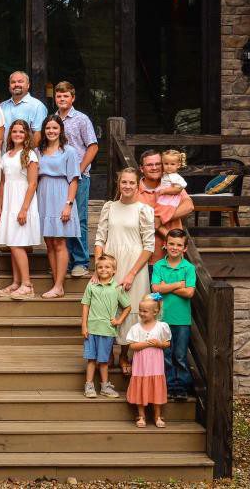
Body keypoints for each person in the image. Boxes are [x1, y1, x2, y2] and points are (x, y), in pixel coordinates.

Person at [94, 167, 155, 377]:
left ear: (138, 185)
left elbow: (149, 246)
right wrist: (98, 267)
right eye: (123, 182)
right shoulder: (109, 207)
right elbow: (100, 239)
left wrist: (131, 274)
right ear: (118, 184)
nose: (127, 186)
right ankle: (108, 350)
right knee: (108, 308)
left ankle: (124, 354)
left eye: (131, 183)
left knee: (130, 307)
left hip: (134, 266)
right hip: (110, 265)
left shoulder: (143, 210)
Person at [54, 81, 98, 277]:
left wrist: (78, 170)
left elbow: (93, 146)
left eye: (66, 96)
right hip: (58, 178)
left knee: (78, 218)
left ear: (73, 98)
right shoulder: (52, 119)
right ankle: (66, 260)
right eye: (59, 96)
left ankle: (81, 261)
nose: (62, 99)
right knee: (63, 218)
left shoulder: (81, 119)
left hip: (78, 177)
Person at [0, 120, 41, 299]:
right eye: (14, 131)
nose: (18, 134)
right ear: (10, 134)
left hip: (22, 202)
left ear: (27, 134)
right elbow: (3, 183)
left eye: (21, 132)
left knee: (17, 244)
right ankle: (16, 282)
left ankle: (27, 284)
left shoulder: (30, 154)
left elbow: (32, 183)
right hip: (9, 202)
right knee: (12, 243)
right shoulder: (6, 156)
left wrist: (24, 209)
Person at [37, 115, 80, 299]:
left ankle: (59, 285)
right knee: (49, 242)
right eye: (48, 128)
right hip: (43, 194)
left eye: (55, 128)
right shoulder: (39, 151)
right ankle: (56, 283)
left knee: (60, 242)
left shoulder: (69, 151)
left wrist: (68, 204)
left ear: (60, 130)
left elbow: (74, 179)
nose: (51, 131)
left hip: (62, 194)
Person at [150, 229, 195, 401]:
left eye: (179, 245)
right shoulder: (159, 265)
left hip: (182, 320)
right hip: (162, 319)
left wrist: (165, 287)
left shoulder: (189, 268)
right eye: (171, 244)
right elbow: (155, 290)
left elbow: (190, 293)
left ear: (184, 248)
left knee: (180, 355)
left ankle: (182, 387)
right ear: (165, 245)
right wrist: (178, 284)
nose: (174, 247)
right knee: (166, 355)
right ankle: (169, 386)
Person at [80, 254, 130, 399]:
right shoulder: (92, 285)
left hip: (107, 330)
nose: (103, 269)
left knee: (103, 360)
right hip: (92, 329)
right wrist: (84, 325)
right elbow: (85, 305)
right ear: (96, 269)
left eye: (107, 267)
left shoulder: (117, 288)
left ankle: (104, 386)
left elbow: (127, 307)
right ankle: (89, 385)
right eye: (100, 267)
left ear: (114, 270)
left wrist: (119, 320)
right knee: (91, 359)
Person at [137, 149, 194, 264]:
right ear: (142, 168)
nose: (154, 167)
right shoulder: (135, 190)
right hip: (143, 258)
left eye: (158, 164)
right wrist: (154, 223)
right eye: (149, 165)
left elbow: (189, 206)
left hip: (171, 257)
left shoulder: (171, 186)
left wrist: (161, 219)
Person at [126, 294, 171, 428]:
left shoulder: (161, 326)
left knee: (156, 388)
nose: (141, 313)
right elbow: (132, 346)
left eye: (145, 311)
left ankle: (157, 416)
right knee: (141, 388)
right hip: (141, 366)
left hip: (155, 366)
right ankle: (141, 415)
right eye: (140, 310)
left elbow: (167, 343)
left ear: (155, 312)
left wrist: (159, 344)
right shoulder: (136, 328)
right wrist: (147, 344)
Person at [0, 71, 48, 147]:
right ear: (9, 86)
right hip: (4, 156)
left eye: (20, 81)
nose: (16, 84)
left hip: (26, 156)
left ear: (28, 85)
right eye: (13, 82)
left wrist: (26, 155)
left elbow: (38, 135)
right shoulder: (2, 106)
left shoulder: (37, 106)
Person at [153, 150, 188, 226]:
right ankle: (157, 222)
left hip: (170, 198)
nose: (169, 166)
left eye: (172, 164)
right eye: (166, 164)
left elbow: (178, 189)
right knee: (158, 210)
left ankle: (160, 221)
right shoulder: (165, 174)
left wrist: (164, 191)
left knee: (164, 210)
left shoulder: (175, 176)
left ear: (178, 165)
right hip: (163, 196)